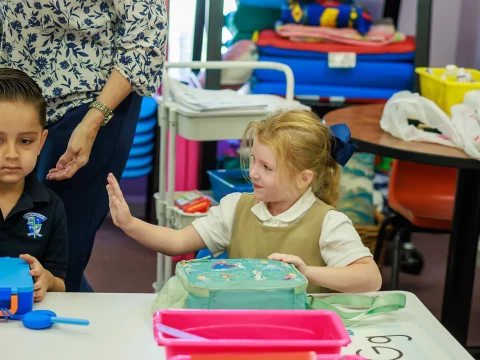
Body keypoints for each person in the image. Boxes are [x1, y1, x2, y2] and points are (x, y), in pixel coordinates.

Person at [106, 109, 382, 293]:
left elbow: (370, 279)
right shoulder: (235, 206)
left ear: (303, 178)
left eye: (266, 167)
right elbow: (177, 242)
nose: (252, 172)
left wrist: (307, 272)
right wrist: (129, 224)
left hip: (300, 335)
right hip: (240, 325)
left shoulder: (328, 222)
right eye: (253, 160)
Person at [0, 1, 168, 291]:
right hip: (14, 95)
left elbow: (145, 34)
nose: (12, 154)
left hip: (89, 101)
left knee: (59, 264)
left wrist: (94, 120)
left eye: (26, 144)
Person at [0, 68, 67, 301]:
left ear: (41, 142)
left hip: (28, 322)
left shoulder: (52, 207)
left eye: (25, 141)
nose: (11, 154)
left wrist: (46, 280)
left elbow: (60, 284)